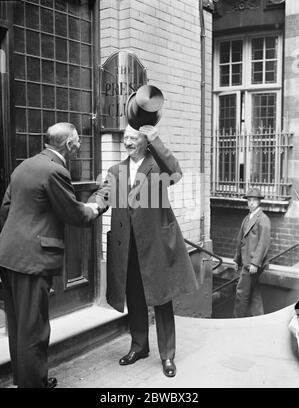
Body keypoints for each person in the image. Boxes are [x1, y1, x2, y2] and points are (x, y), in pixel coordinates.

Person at [89, 124, 198, 377]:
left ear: (145, 140)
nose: (127, 142)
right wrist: (93, 205)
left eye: (132, 138)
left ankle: (167, 356)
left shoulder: (158, 166)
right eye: (125, 137)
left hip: (156, 246)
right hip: (128, 245)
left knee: (161, 298)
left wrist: (157, 139)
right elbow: (105, 192)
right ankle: (139, 347)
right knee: (134, 297)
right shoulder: (116, 170)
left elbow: (177, 172)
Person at [0, 122, 101, 388]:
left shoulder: (24, 166)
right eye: (78, 141)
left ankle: (28, 380)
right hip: (32, 260)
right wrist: (96, 206)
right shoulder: (55, 170)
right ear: (69, 144)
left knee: (20, 327)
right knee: (34, 331)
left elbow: (5, 209)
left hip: (9, 257)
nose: (79, 146)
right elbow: (74, 214)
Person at [233, 188, 271, 318]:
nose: (251, 203)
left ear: (259, 202)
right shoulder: (247, 218)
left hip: (252, 264)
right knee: (254, 294)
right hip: (246, 262)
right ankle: (259, 319)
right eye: (249, 200)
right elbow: (240, 239)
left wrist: (255, 263)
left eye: (254, 200)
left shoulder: (263, 219)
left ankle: (237, 321)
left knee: (241, 293)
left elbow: (263, 243)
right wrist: (237, 260)